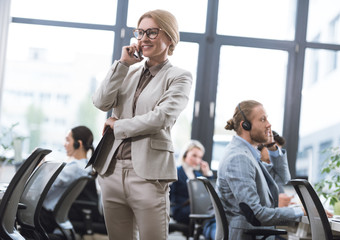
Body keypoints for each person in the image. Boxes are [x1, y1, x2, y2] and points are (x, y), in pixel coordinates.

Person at [91, 9, 192, 240]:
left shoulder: (179, 76)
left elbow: (162, 117)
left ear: (169, 37)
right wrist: (122, 65)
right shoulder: (128, 71)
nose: (143, 38)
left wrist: (119, 126)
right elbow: (100, 101)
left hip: (149, 174)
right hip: (112, 170)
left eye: (152, 32)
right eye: (141, 32)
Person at [217, 100, 305, 240]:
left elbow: (282, 179)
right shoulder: (239, 158)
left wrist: (272, 147)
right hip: (247, 236)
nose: (269, 124)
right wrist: (299, 211)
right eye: (263, 119)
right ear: (245, 125)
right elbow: (256, 214)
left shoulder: (248, 155)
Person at [40, 125, 95, 233]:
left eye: (67, 140)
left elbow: (44, 187)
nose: (64, 144)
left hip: (43, 216)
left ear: (78, 144)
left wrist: (41, 166)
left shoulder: (75, 167)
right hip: (50, 216)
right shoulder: (85, 166)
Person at [170, 140, 213, 224]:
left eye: (200, 157)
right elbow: (171, 196)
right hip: (182, 210)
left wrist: (207, 174)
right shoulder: (176, 172)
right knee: (209, 214)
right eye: (194, 155)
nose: (197, 160)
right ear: (185, 154)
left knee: (212, 212)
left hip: (196, 209)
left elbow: (209, 193)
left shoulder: (197, 174)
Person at [257, 130, 294, 207]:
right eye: (270, 150)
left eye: (277, 151)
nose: (274, 156)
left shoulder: (272, 171)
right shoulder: (253, 167)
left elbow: (285, 178)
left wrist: (285, 202)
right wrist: (276, 204)